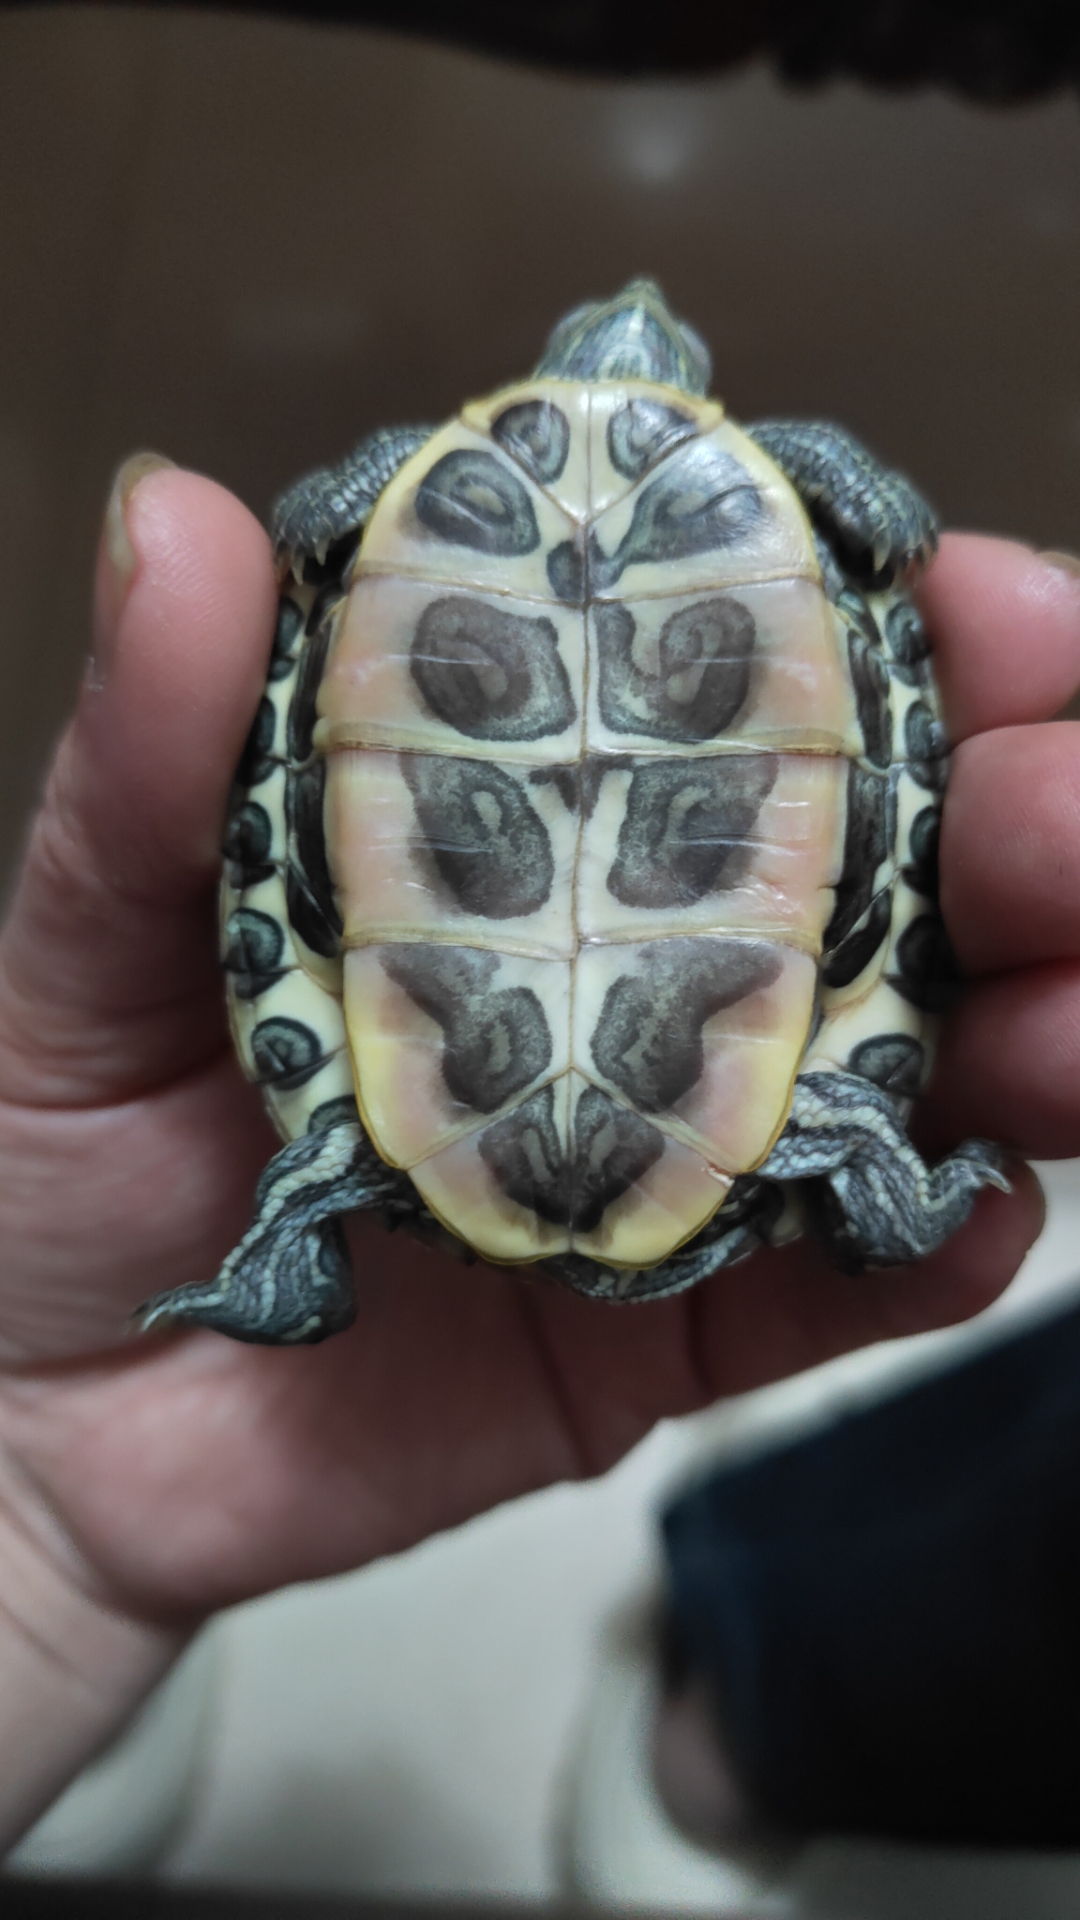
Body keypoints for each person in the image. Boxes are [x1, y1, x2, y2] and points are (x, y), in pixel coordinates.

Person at [0, 456, 1074, 1851]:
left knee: (362, 1140)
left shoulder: (435, 484)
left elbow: (327, 546)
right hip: (682, 1126)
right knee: (857, 1140)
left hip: (451, 1129)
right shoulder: (770, 494)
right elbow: (897, 570)